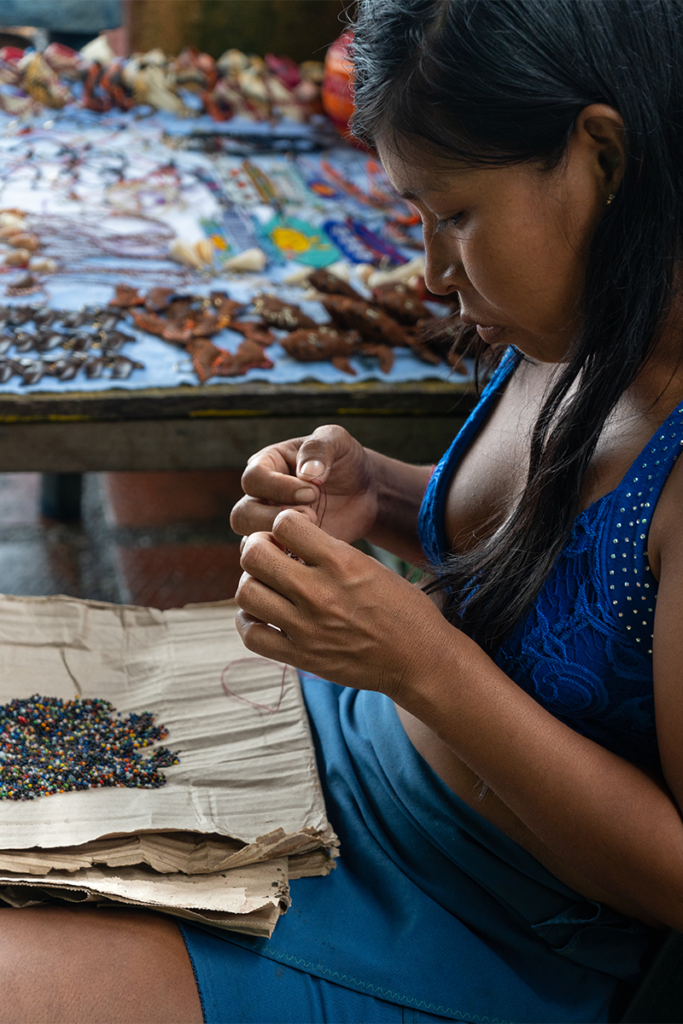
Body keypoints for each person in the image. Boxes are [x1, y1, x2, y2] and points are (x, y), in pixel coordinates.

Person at [1, 0, 683, 1020]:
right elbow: (553, 569)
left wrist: (423, 663)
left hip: (473, 924)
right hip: (338, 754)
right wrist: (386, 491)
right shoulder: (578, 318)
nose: (431, 272)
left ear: (600, 157)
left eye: (452, 216)